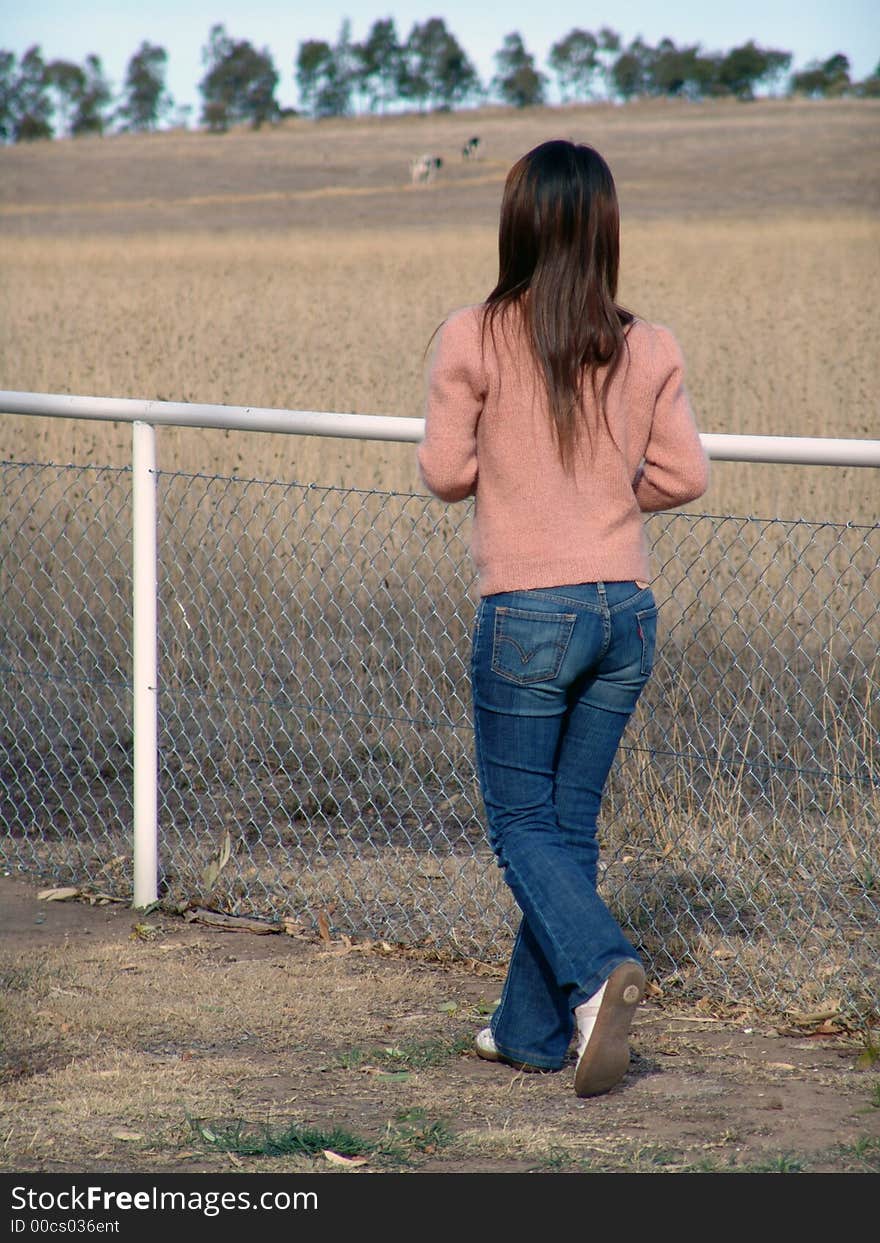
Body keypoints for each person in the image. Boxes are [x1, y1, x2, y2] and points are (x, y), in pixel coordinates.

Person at [417, 139, 709, 1098]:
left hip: (527, 610)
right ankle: (531, 1031)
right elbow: (683, 476)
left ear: (518, 223)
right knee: (567, 826)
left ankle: (600, 970)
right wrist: (602, 499)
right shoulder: (650, 343)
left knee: (519, 825)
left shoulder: (473, 334)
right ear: (604, 229)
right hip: (626, 612)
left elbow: (446, 473)